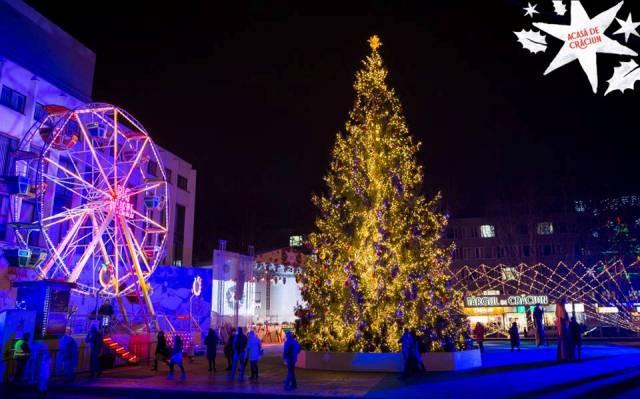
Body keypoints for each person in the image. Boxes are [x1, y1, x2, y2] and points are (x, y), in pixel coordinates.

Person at [555, 297, 570, 361]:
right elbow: (564, 316)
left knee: (562, 341)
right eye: (566, 300)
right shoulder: (561, 307)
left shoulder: (559, 306)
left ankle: (562, 355)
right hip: (562, 326)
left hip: (562, 325)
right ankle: (563, 356)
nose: (566, 301)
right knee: (563, 341)